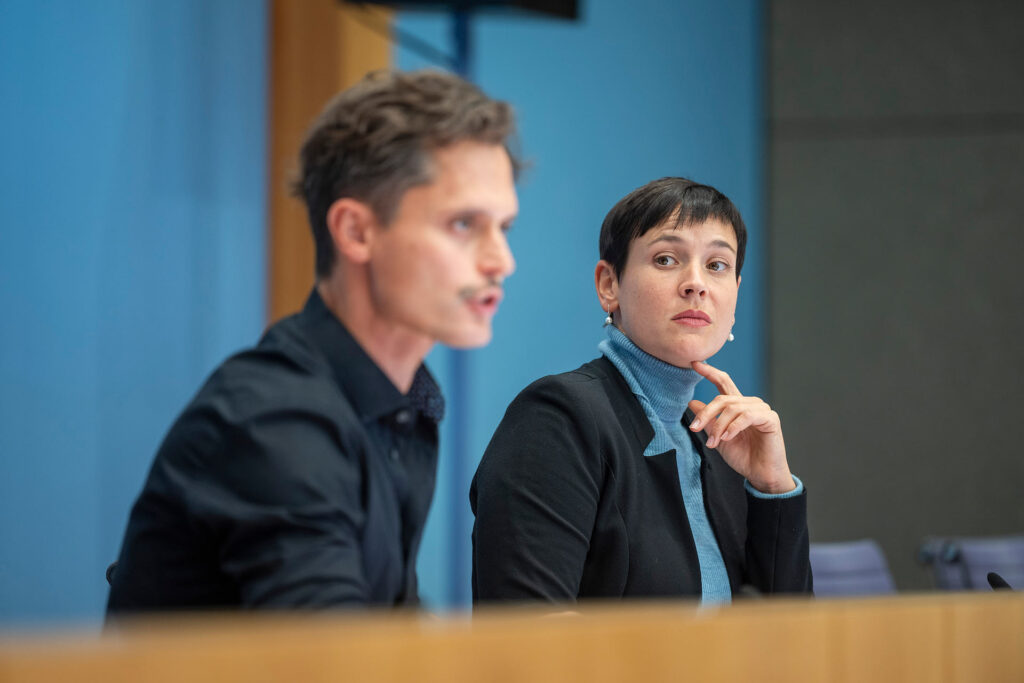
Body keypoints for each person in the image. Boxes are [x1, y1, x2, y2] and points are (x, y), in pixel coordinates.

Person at [106, 70, 519, 613]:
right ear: (355, 231)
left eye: (504, 227)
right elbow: (337, 663)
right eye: (464, 225)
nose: (501, 262)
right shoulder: (274, 420)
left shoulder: (403, 405)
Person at [471, 177, 811, 604]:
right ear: (608, 285)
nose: (696, 284)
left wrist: (773, 488)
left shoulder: (720, 442)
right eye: (667, 259)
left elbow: (790, 645)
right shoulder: (558, 420)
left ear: (736, 294)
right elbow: (528, 637)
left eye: (717, 265)